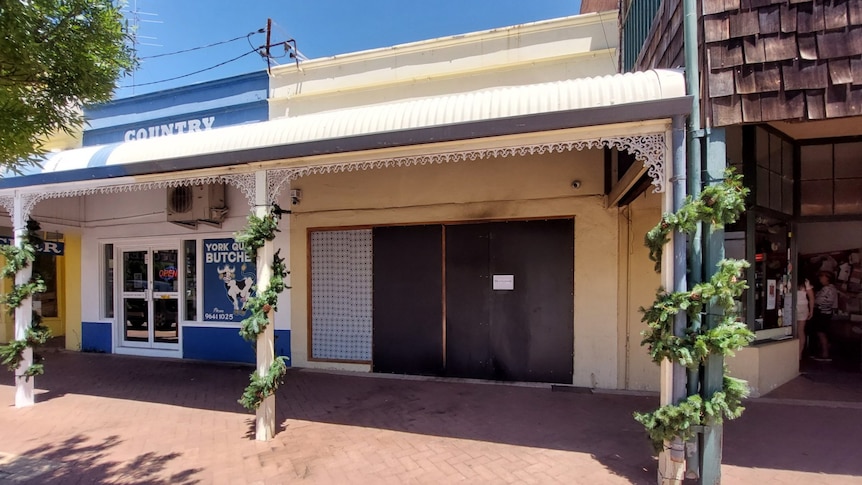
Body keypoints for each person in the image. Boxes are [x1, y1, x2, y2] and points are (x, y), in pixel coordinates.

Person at [810, 271, 838, 361]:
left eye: (822, 276)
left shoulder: (826, 289)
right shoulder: (832, 289)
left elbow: (818, 301)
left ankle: (825, 354)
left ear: (828, 278)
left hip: (822, 313)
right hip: (826, 313)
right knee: (822, 332)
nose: (820, 278)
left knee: (821, 332)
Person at [796, 273, 815, 359]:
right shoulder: (805, 282)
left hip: (790, 305)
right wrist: (811, 310)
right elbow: (811, 298)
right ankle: (799, 353)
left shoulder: (785, 278)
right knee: (800, 330)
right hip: (803, 306)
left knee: (792, 330)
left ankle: (794, 351)